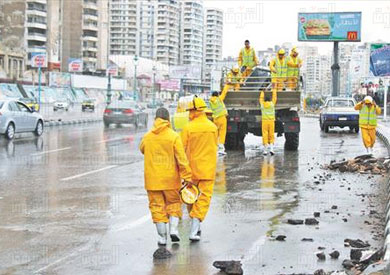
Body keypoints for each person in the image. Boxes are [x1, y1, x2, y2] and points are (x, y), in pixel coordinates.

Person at [140, 108, 192, 245]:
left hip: (152, 181)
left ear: (155, 119)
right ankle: (173, 229)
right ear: (168, 119)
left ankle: (162, 238)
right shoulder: (173, 136)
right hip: (171, 180)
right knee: (174, 204)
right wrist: (186, 176)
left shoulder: (148, 136)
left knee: (157, 207)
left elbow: (142, 149)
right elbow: (182, 159)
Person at [181, 96, 218, 241]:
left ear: (196, 111)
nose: (189, 113)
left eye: (190, 110)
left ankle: (195, 226)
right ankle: (195, 226)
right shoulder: (213, 128)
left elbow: (181, 149)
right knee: (204, 199)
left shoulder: (188, 128)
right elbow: (215, 146)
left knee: (191, 197)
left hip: (191, 170)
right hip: (207, 170)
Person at [210, 89, 228, 155]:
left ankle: (215, 148)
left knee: (216, 134)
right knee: (222, 133)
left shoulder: (211, 101)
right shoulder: (219, 99)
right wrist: (227, 86)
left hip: (215, 119)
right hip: (222, 118)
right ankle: (221, 148)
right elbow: (224, 93)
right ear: (217, 95)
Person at [259, 90, 277, 155]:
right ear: (270, 100)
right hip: (271, 121)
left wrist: (262, 92)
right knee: (271, 134)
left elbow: (260, 99)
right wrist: (274, 90)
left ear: (264, 100)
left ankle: (265, 150)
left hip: (264, 121)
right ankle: (272, 149)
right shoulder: (272, 104)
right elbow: (275, 98)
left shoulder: (262, 105)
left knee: (265, 134)